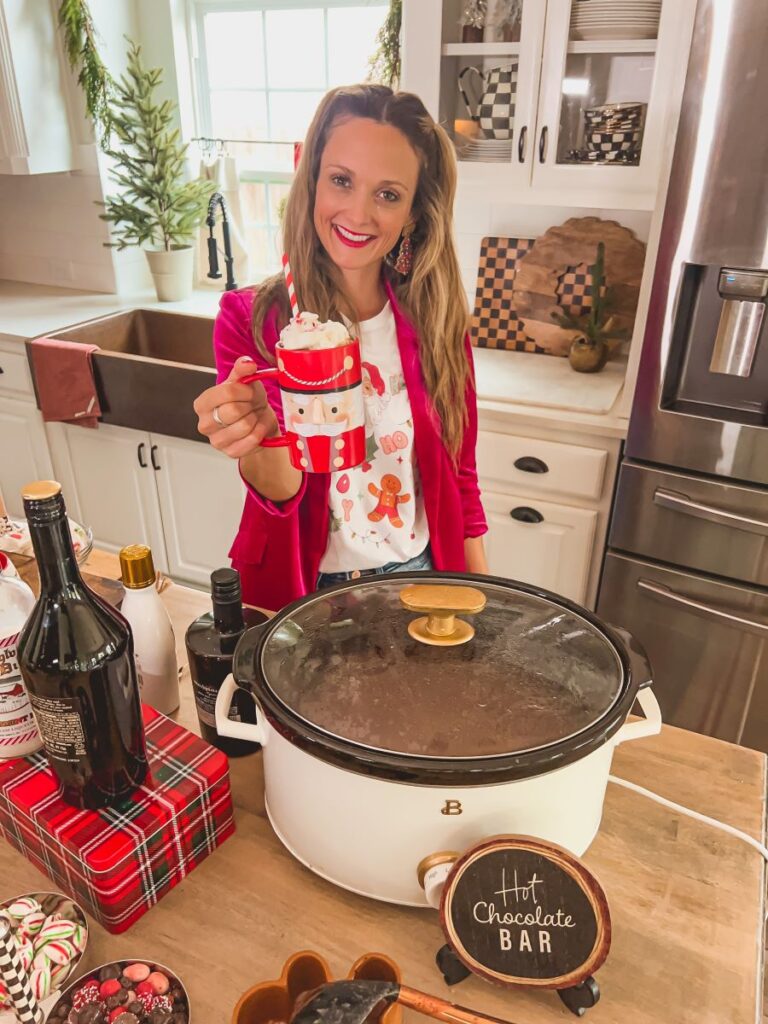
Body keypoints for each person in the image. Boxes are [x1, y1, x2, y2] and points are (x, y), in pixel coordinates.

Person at [194, 84, 488, 610]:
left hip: (417, 580)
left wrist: (485, 605)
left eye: (388, 194)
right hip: (301, 592)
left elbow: (463, 484)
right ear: (312, 183)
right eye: (341, 181)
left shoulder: (439, 325)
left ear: (412, 216)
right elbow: (279, 496)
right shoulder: (254, 321)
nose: (358, 212)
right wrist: (262, 434)